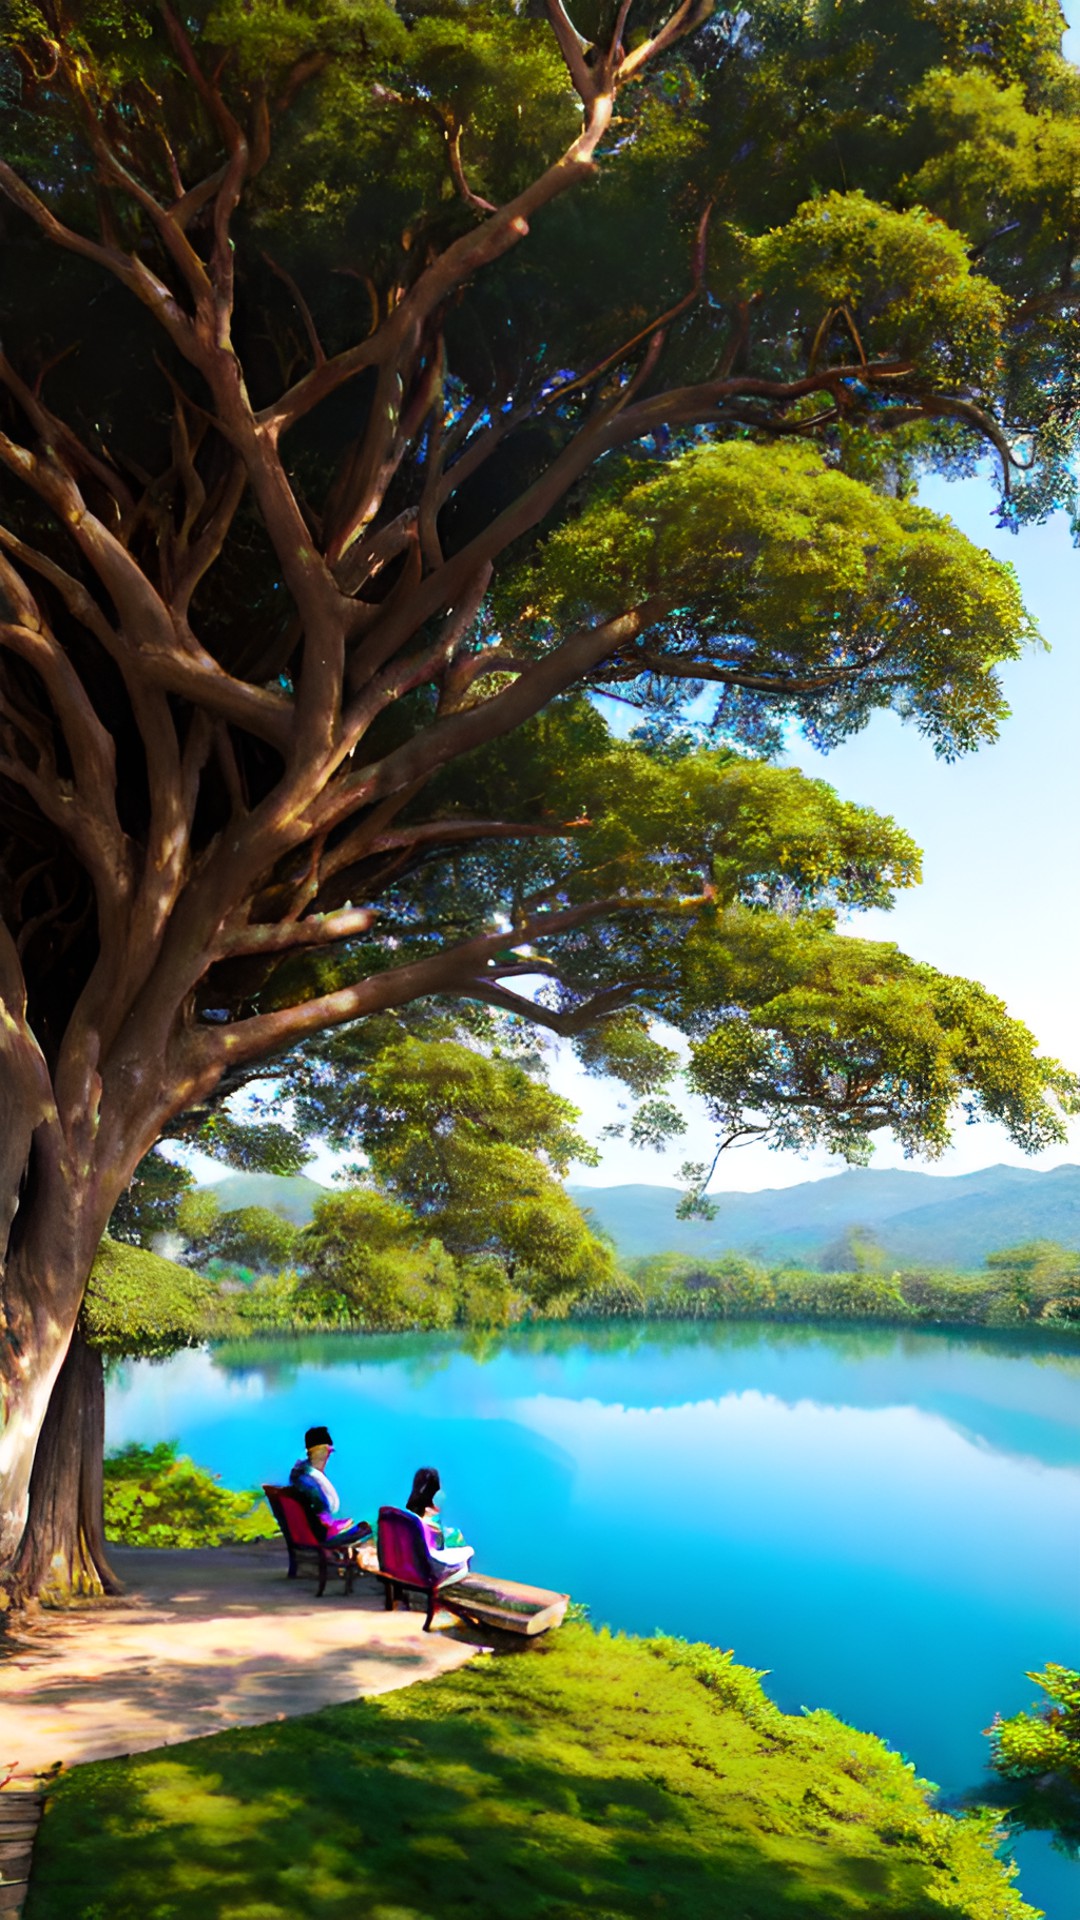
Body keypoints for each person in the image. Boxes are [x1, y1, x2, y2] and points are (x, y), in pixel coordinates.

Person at [289, 1425, 371, 1545]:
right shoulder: (307, 1482)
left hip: (316, 1533)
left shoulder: (302, 1476)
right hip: (322, 1538)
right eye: (326, 1450)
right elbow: (321, 1518)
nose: (328, 1455)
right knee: (368, 1528)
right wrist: (334, 1527)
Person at [405, 1465, 473, 1583]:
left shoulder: (406, 1518)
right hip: (428, 1570)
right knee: (468, 1553)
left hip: (410, 1566)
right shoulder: (430, 1525)